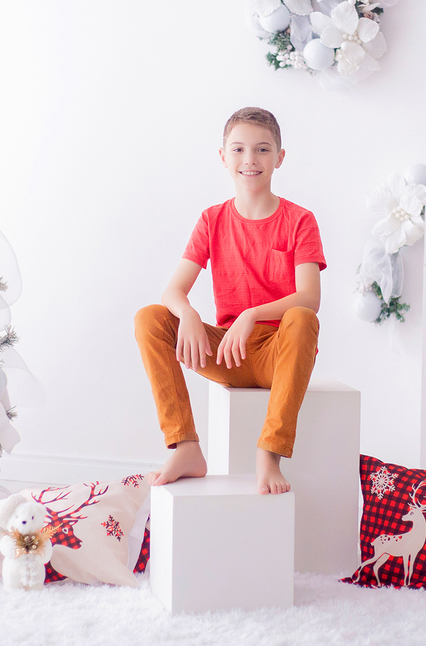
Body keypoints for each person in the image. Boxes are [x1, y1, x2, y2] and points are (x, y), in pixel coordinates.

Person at [134, 107, 325, 495]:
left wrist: (253, 314)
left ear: (280, 157)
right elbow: (173, 290)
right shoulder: (212, 220)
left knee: (303, 319)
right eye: (238, 149)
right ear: (223, 157)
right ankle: (186, 446)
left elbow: (310, 297)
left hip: (278, 352)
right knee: (150, 318)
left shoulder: (300, 220)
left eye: (262, 150)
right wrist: (186, 312)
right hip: (227, 352)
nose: (250, 160)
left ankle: (269, 452)